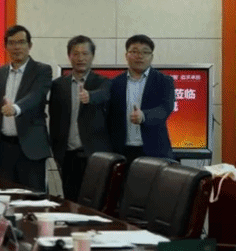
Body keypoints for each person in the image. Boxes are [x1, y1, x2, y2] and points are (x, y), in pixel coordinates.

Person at [0, 25, 52, 191]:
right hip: (4, 149)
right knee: (6, 197)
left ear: (29, 45)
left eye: (21, 42)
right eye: (12, 43)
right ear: (6, 46)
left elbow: (36, 96)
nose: (16, 47)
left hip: (31, 149)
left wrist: (16, 108)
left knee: (34, 198)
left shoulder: (42, 70)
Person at [48, 36, 112, 200]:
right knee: (70, 199)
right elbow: (54, 120)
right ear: (69, 56)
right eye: (76, 54)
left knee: (93, 201)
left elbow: (104, 95)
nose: (80, 58)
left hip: (94, 156)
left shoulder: (103, 83)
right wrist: (56, 153)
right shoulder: (58, 85)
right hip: (67, 155)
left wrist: (90, 97)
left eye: (85, 53)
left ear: (92, 56)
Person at [109, 34, 176, 162]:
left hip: (154, 151)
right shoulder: (115, 83)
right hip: (122, 151)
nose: (139, 56)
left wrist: (144, 116)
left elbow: (165, 109)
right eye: (134, 52)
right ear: (126, 55)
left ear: (151, 57)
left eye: (145, 52)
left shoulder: (164, 81)